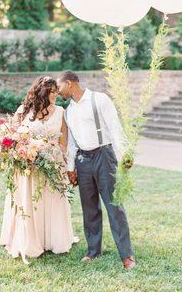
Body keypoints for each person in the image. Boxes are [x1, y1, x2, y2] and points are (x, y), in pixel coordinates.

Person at [57, 70, 136, 270]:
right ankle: (93, 251)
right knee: (89, 208)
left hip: (104, 156)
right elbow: (72, 143)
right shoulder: (68, 111)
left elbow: (115, 128)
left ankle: (126, 255)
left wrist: (124, 154)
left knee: (114, 205)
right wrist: (71, 169)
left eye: (59, 87)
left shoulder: (99, 99)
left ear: (69, 83)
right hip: (83, 160)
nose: (58, 92)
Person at [0, 76, 76, 263]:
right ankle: (31, 239)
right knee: (30, 201)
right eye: (53, 91)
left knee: (51, 200)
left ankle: (52, 239)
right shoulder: (23, 110)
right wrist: (24, 151)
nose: (56, 94)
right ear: (43, 91)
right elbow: (12, 136)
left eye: (57, 91)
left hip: (52, 164)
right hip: (29, 167)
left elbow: (63, 142)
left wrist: (57, 158)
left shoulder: (60, 112)